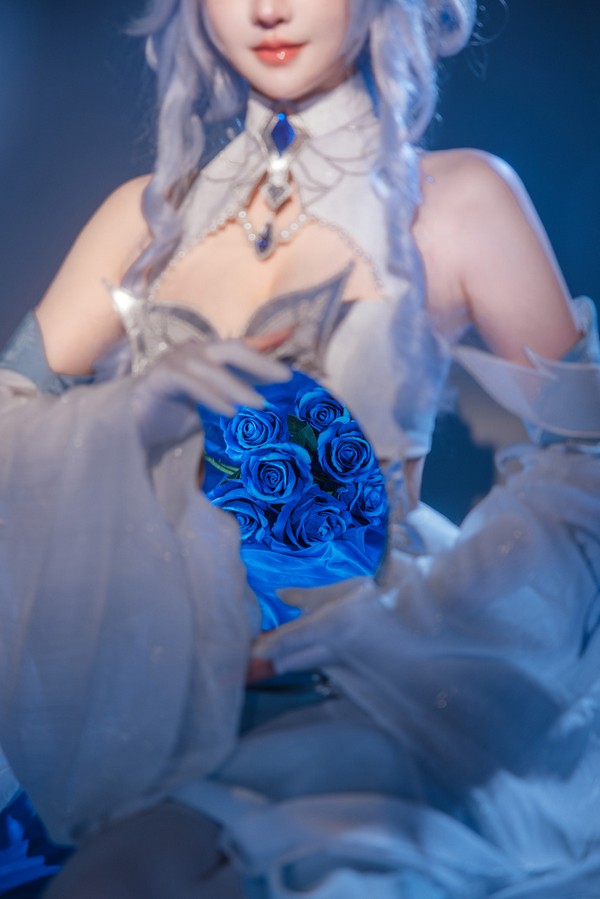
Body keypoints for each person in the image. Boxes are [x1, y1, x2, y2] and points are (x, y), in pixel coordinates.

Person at [1, 0, 599, 896]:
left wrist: (426, 620)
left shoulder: (460, 199)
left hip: (370, 689)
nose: (268, 9)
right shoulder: (146, 218)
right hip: (156, 691)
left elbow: (585, 464)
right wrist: (125, 417)